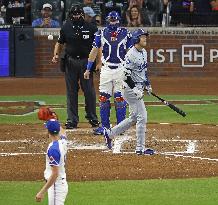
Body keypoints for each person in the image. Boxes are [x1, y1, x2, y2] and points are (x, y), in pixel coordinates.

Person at [103, 28, 155, 156]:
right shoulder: (130, 55)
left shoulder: (143, 52)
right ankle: (140, 148)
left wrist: (147, 84)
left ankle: (110, 134)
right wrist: (135, 89)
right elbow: (126, 75)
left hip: (137, 87)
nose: (145, 39)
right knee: (142, 117)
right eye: (143, 37)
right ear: (136, 39)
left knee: (133, 118)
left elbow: (144, 71)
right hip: (129, 88)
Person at [84, 11, 132, 135]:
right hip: (106, 69)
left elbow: (132, 52)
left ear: (119, 20)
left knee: (120, 98)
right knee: (104, 98)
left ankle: (121, 126)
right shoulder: (101, 33)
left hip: (121, 69)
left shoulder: (126, 33)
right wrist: (88, 68)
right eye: (111, 20)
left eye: (114, 20)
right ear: (107, 20)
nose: (113, 22)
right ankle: (105, 126)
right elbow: (94, 51)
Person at [52, 5, 100, 129]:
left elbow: (98, 47)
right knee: (71, 92)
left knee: (89, 91)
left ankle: (92, 118)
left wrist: (99, 63)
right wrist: (56, 55)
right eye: (74, 14)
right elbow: (59, 42)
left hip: (86, 63)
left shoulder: (91, 28)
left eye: (78, 13)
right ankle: (72, 120)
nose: (76, 16)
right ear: (70, 14)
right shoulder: (66, 27)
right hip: (70, 62)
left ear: (82, 14)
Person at [35, 119, 68, 204]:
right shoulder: (63, 141)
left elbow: (55, 174)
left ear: (48, 131)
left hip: (56, 186)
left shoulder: (53, 149)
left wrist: (42, 192)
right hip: (59, 183)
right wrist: (54, 121)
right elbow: (63, 132)